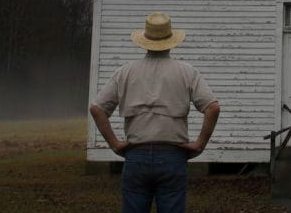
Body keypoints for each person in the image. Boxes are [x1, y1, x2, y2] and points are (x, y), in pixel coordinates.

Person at [89, 12, 220, 213]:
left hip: (136, 155)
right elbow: (212, 107)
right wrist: (200, 144)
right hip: (173, 156)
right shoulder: (186, 71)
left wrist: (114, 144)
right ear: (171, 41)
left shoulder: (125, 72)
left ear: (144, 41)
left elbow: (97, 108)